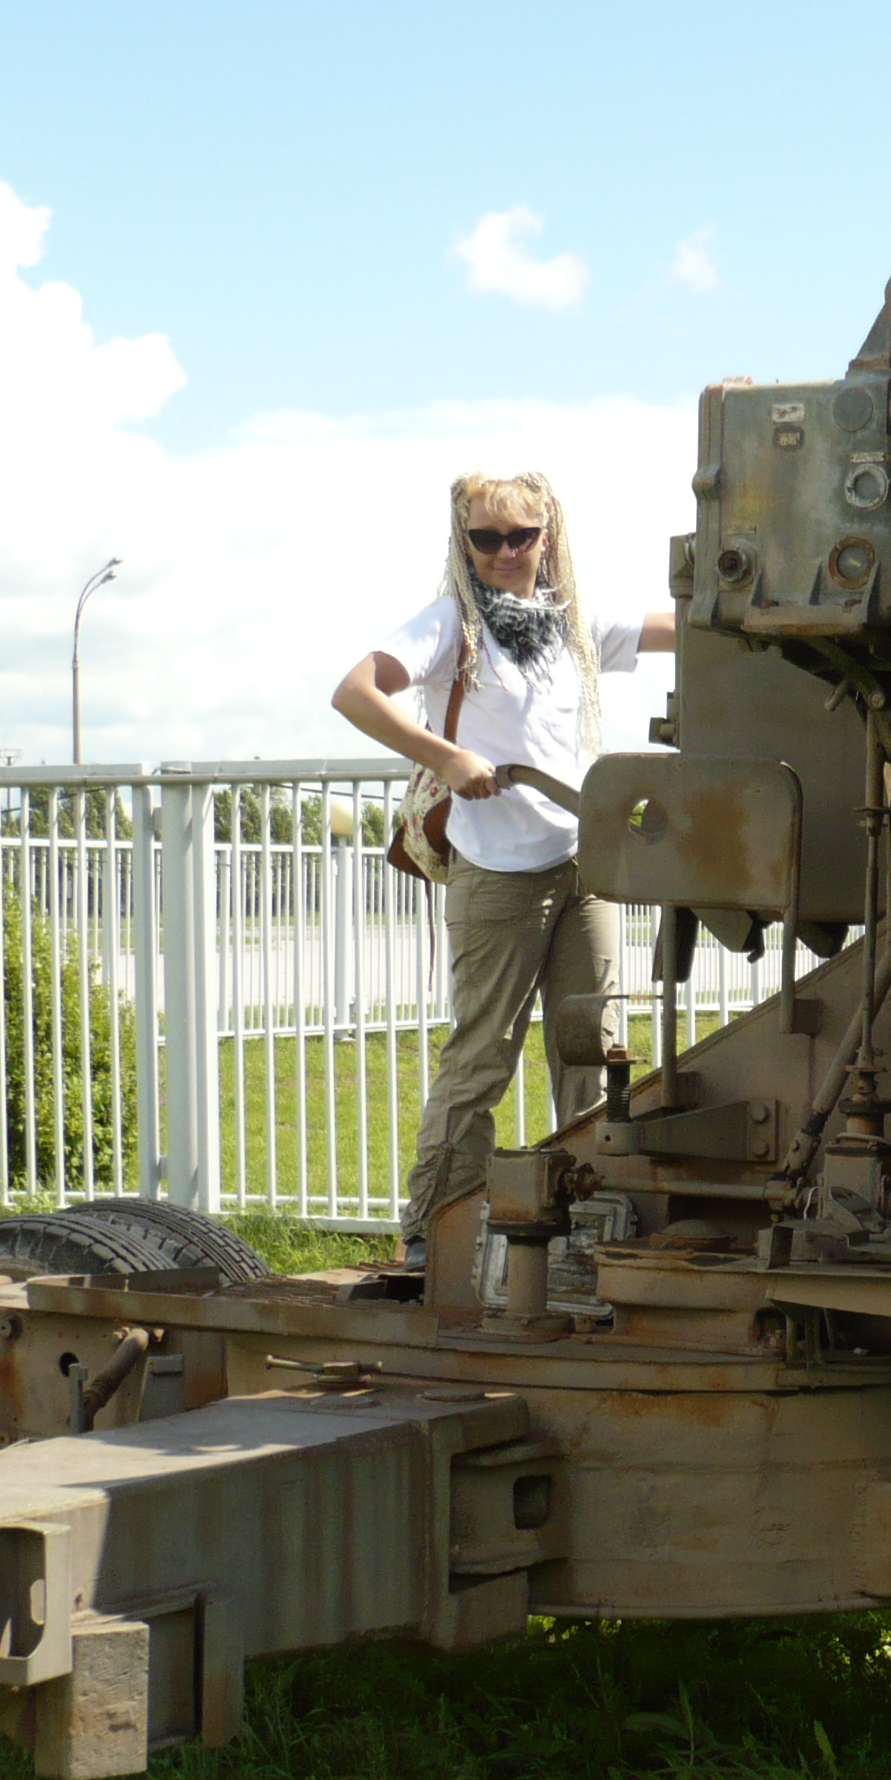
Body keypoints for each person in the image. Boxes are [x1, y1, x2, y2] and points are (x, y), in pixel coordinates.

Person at [331, 470, 674, 1264]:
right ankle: (433, 1233)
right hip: (497, 872)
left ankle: (585, 1229)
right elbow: (354, 692)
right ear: (465, 542)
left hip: (583, 868)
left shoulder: (572, 623)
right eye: (486, 538)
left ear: (548, 537)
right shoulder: (451, 623)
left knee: (593, 1051)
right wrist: (446, 757)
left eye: (522, 535)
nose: (506, 552)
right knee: (482, 1058)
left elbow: (678, 628)